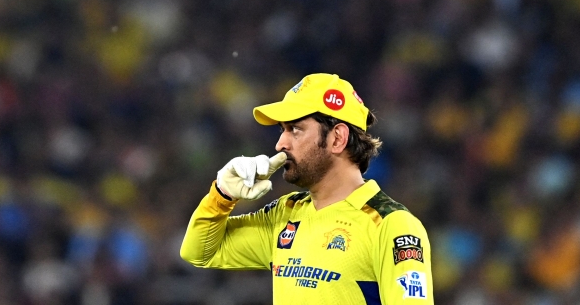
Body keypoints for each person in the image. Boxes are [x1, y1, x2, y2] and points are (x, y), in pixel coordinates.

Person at [180, 73, 434, 303]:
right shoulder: (285, 214)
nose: (280, 144)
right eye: (282, 130)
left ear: (337, 138)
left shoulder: (391, 224)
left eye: (295, 130)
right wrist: (222, 195)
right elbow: (199, 252)